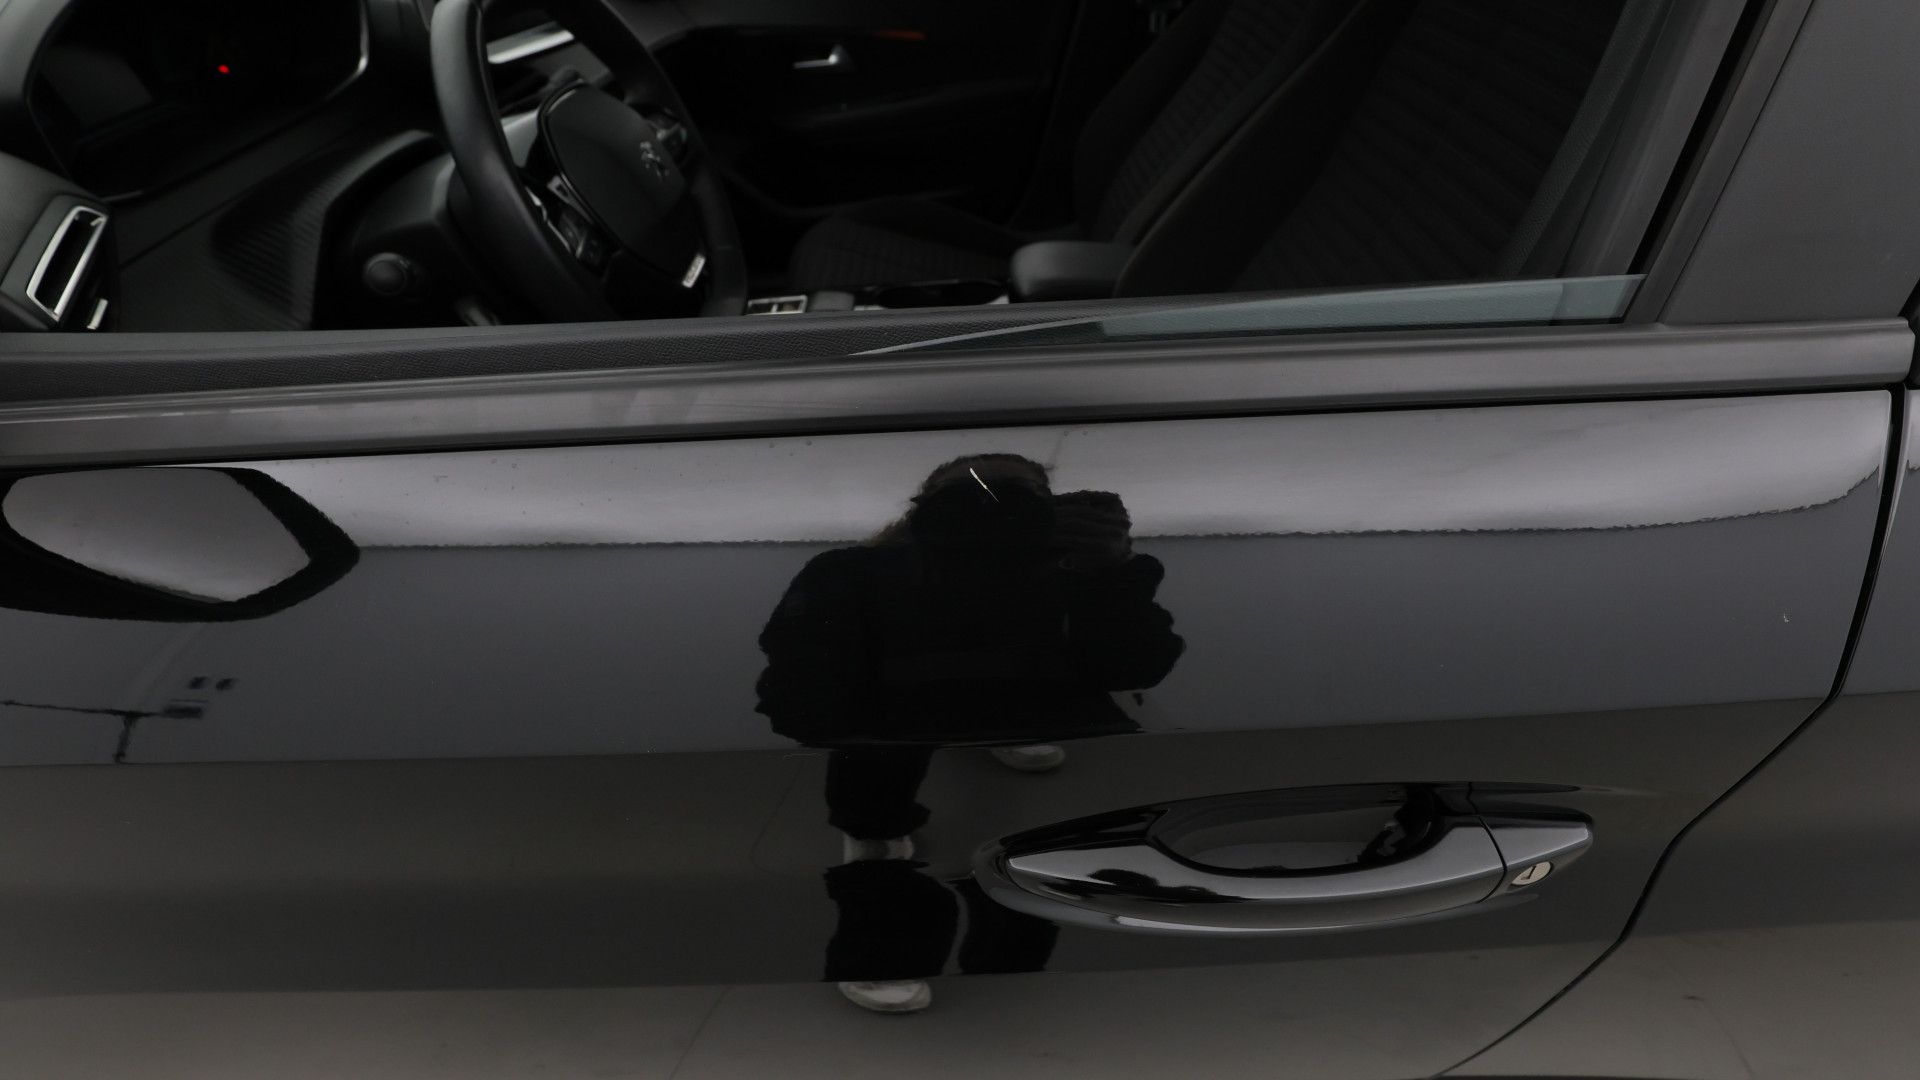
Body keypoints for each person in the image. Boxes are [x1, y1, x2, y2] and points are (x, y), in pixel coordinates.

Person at [755, 453, 1184, 1013]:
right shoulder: (857, 570)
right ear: (926, 505)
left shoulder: (1062, 569)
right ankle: (880, 866)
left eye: (1016, 492)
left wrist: (1110, 572)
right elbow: (801, 667)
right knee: (878, 816)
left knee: (1018, 859)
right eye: (971, 491)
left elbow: (1134, 666)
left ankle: (967, 928)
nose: (991, 505)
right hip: (898, 723)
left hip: (1005, 707)